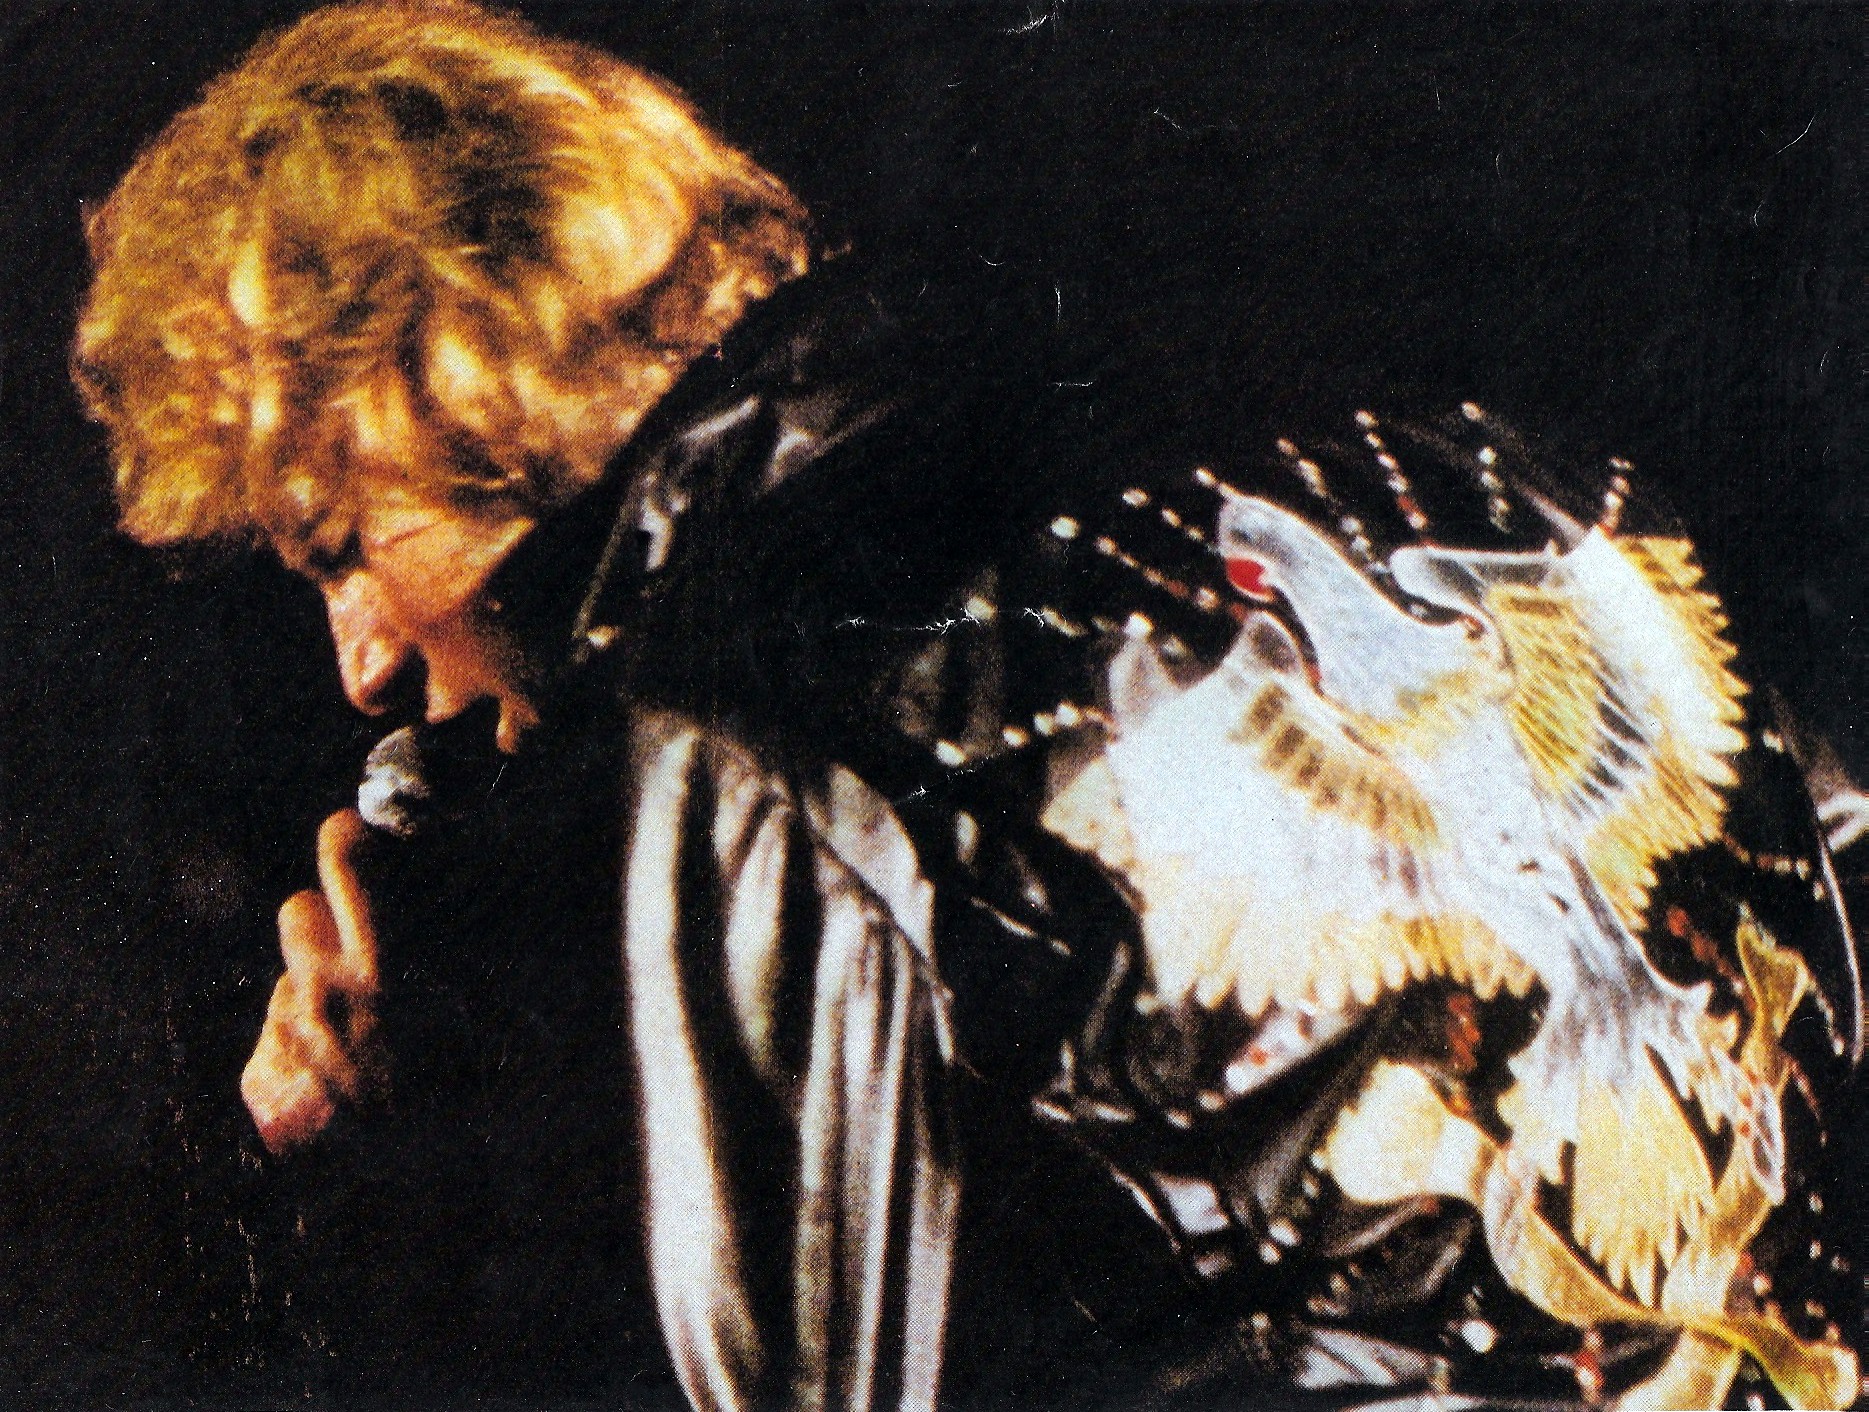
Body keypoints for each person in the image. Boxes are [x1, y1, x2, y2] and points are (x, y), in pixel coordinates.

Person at [70, 3, 1869, 1409]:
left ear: (474, 406)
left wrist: (387, 1185)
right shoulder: (1432, 450)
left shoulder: (753, 747)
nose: (363, 665)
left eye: (335, 546)